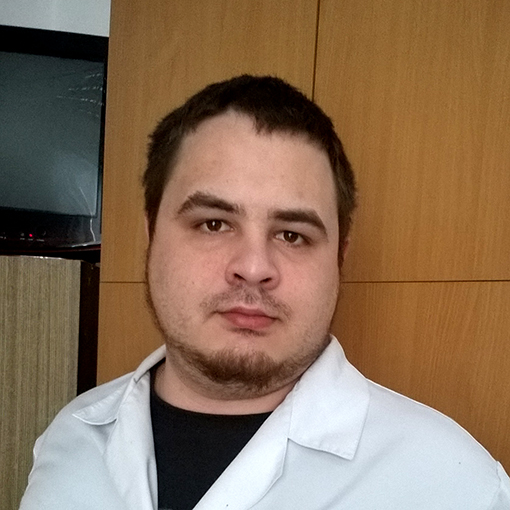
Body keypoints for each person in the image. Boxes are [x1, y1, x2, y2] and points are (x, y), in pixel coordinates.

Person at [20, 75, 510, 510]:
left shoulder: (453, 484)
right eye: (213, 224)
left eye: (292, 235)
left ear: (339, 258)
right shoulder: (70, 440)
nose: (254, 269)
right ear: (151, 234)